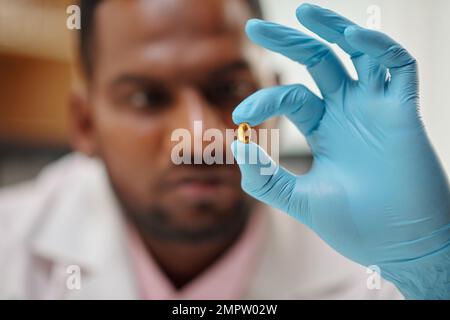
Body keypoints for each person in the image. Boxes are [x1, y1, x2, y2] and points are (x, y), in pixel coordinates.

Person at [0, 0, 448, 300]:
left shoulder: (377, 274)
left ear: (277, 104)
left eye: (229, 88)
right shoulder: (10, 250)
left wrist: (431, 272)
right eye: (145, 98)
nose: (197, 137)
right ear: (85, 124)